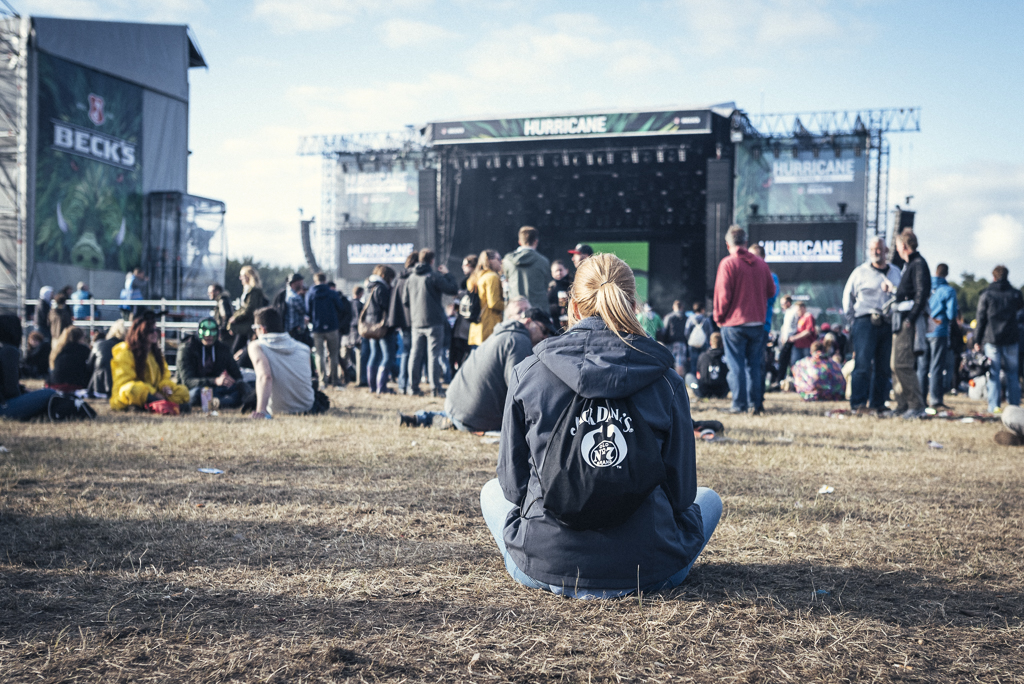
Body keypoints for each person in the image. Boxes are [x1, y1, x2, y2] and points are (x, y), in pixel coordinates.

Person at [481, 252, 720, 598]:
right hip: (649, 569)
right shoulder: (667, 381)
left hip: (546, 564)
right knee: (710, 499)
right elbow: (682, 495)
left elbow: (513, 487)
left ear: (574, 308)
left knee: (490, 491)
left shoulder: (528, 373)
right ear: (632, 307)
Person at [398, 307, 557, 431]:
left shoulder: (506, 333)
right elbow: (519, 391)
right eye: (544, 331)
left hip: (456, 404)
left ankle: (424, 418)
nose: (545, 337)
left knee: (456, 419)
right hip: (474, 417)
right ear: (528, 321)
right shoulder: (520, 340)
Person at [712, 225, 776, 415]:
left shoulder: (728, 263)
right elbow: (771, 291)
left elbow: (723, 296)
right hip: (757, 323)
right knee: (754, 365)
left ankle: (739, 404)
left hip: (734, 324)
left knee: (736, 365)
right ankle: (755, 404)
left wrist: (719, 318)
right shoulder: (761, 264)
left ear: (727, 244)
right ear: (746, 242)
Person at [842, 235, 902, 415]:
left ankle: (878, 403)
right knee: (862, 364)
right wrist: (854, 321)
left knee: (883, 367)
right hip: (865, 321)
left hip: (887, 322)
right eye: (873, 249)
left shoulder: (895, 272)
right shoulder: (860, 272)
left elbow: (902, 296)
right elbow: (848, 299)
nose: (876, 252)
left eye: (879, 249)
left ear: (886, 250)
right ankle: (858, 403)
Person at [402, 248, 458, 397]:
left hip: (416, 322)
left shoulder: (411, 278)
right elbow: (452, 289)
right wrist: (447, 274)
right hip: (434, 322)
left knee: (415, 354)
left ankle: (413, 388)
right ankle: (435, 389)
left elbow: (405, 301)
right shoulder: (434, 276)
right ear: (432, 261)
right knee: (434, 355)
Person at [248, 307, 319, 418]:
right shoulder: (304, 348)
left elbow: (265, 377)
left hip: (277, 408)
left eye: (255, 328)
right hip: (306, 405)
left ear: (262, 329)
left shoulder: (257, 346)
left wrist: (261, 411)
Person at [889, 230, 930, 419]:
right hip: (901, 319)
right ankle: (902, 404)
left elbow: (921, 293)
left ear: (904, 246)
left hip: (907, 321)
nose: (896, 250)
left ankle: (916, 405)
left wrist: (910, 319)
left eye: (898, 246)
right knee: (895, 364)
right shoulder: (911, 265)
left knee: (902, 364)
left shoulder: (918, 264)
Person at [110, 315, 190, 411]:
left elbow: (164, 377)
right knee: (132, 389)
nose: (155, 333)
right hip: (131, 394)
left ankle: (156, 405)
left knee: (183, 391)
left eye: (156, 330)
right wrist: (152, 393)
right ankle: (164, 405)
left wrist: (165, 386)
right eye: (150, 331)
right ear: (140, 332)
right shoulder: (125, 351)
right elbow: (125, 381)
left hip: (156, 392)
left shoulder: (156, 353)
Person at [974, 264, 1024, 414]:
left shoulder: (987, 294)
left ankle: (994, 407)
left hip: (992, 339)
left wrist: (977, 340)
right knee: (1013, 374)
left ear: (994, 277)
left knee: (993, 374)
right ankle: (1014, 407)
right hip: (1011, 339)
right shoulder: (1015, 294)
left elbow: (981, 318)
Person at [177, 318, 248, 409]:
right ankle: (221, 402)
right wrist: (214, 381)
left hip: (217, 389)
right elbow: (187, 381)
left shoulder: (222, 348)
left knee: (241, 389)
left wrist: (232, 381)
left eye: (212, 330)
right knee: (195, 394)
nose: (208, 335)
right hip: (195, 389)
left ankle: (219, 402)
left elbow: (237, 375)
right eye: (205, 330)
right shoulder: (186, 349)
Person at [1, 315, 57, 420]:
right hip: (4, 408)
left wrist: (23, 389)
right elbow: (11, 390)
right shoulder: (9, 351)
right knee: (50, 393)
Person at [920, 263, 958, 409]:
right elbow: (951, 314)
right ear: (946, 274)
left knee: (922, 367)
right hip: (939, 330)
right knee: (936, 366)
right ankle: (935, 400)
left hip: (924, 329)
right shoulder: (948, 291)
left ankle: (920, 399)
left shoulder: (926, 286)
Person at [307, 272, 351, 388]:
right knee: (334, 355)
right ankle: (335, 381)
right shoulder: (332, 293)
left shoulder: (310, 294)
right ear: (325, 280)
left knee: (319, 355)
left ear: (315, 280)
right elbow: (340, 307)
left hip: (317, 328)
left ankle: (323, 381)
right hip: (332, 327)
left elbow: (307, 310)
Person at [364, 265, 398, 394]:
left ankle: (372, 387)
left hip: (371, 327)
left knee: (374, 354)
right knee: (388, 356)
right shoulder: (382, 288)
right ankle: (381, 386)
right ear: (385, 276)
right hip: (383, 328)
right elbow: (388, 307)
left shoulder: (369, 287)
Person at [389, 251, 419, 394]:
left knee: (407, 352)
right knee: (415, 353)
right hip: (415, 320)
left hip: (404, 321)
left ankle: (402, 383)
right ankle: (410, 384)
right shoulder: (416, 277)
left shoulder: (400, 278)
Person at [502, 226, 550, 311]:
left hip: (515, 311)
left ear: (519, 242)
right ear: (536, 241)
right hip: (538, 312)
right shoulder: (544, 262)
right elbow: (546, 287)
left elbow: (505, 283)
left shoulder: (507, 261)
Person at [227, 265, 268, 359]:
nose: (240, 278)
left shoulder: (253, 291)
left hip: (247, 326)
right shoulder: (250, 290)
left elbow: (249, 309)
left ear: (248, 276)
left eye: (242, 275)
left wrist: (235, 318)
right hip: (247, 325)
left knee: (237, 349)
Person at [467, 249, 504, 348]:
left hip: (476, 328)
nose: (501, 262)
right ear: (490, 260)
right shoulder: (492, 277)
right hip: (489, 327)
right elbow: (494, 303)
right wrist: (508, 305)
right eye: (498, 259)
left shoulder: (476, 276)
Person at [450, 254, 478, 372]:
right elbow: (456, 309)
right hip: (461, 328)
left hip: (471, 326)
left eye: (465, 265)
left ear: (472, 266)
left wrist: (461, 296)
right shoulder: (464, 283)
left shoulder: (478, 281)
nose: (462, 267)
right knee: (458, 355)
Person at [86, 319, 127, 397]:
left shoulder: (99, 344)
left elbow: (90, 366)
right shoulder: (126, 348)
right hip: (119, 388)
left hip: (98, 386)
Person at [48, 326, 91, 392]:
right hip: (74, 384)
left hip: (54, 383)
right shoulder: (83, 349)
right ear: (80, 337)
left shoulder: (58, 349)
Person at [690, 331, 730, 399]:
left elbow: (698, 374)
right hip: (722, 391)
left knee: (689, 376)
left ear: (710, 342)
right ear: (722, 343)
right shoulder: (727, 357)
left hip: (704, 391)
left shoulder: (702, 356)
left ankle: (698, 392)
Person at [683, 301, 712, 376]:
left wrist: (690, 339)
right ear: (702, 309)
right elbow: (710, 332)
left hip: (693, 344)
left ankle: (694, 380)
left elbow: (686, 332)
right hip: (704, 344)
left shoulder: (690, 319)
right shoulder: (706, 320)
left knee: (693, 363)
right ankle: (703, 378)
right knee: (704, 362)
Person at [662, 300, 689, 377]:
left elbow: (664, 330)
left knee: (669, 363)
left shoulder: (669, 317)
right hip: (682, 343)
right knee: (680, 364)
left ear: (673, 307)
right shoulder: (686, 317)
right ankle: (679, 380)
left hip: (670, 343)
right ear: (682, 307)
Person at [547, 259, 573, 330]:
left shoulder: (572, 284)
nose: (559, 273)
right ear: (552, 273)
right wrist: (557, 308)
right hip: (555, 322)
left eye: (560, 270)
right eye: (556, 271)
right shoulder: (551, 287)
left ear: (566, 270)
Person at [789, 301, 816, 366]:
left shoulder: (808, 316)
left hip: (806, 346)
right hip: (798, 345)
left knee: (807, 364)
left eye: (798, 310)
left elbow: (808, 331)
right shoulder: (800, 318)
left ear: (803, 308)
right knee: (795, 364)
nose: (797, 312)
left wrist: (795, 338)